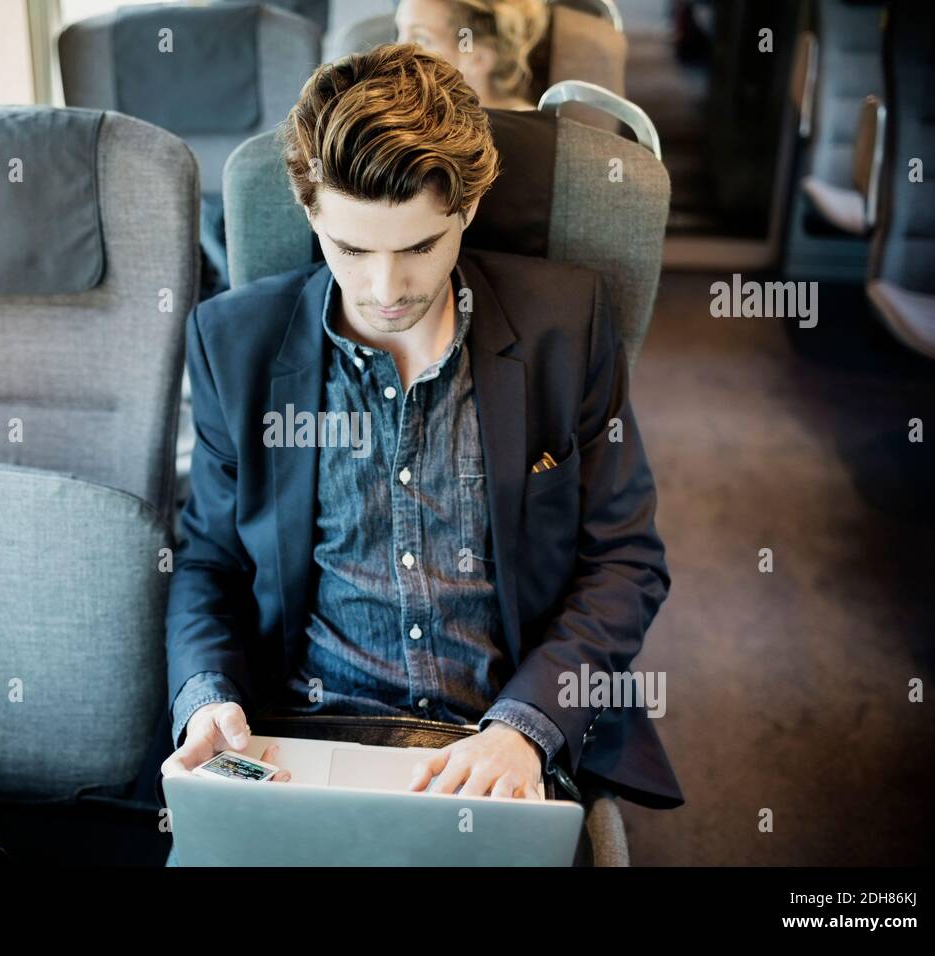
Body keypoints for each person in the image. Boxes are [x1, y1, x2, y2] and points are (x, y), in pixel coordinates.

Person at [160, 43, 681, 822]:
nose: (385, 289)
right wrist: (206, 698)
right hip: (303, 740)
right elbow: (207, 562)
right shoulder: (234, 344)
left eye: (419, 247)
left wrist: (524, 729)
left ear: (468, 207)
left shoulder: (564, 328)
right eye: (351, 248)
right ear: (309, 213)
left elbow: (625, 561)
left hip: (495, 736)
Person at [394, 0, 550, 110]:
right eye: (399, 32)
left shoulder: (515, 138)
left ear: (479, 58)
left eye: (420, 38)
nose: (397, 52)